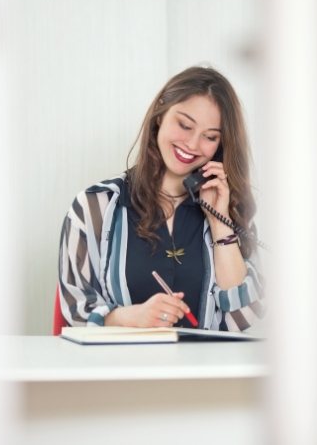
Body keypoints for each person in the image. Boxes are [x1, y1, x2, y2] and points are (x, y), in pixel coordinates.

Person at [58, 66, 264, 331]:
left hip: (204, 370)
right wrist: (128, 317)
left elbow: (243, 316)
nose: (192, 144)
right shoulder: (94, 206)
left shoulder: (230, 211)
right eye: (184, 125)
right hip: (121, 368)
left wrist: (219, 222)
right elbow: (75, 310)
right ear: (160, 116)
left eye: (210, 137)